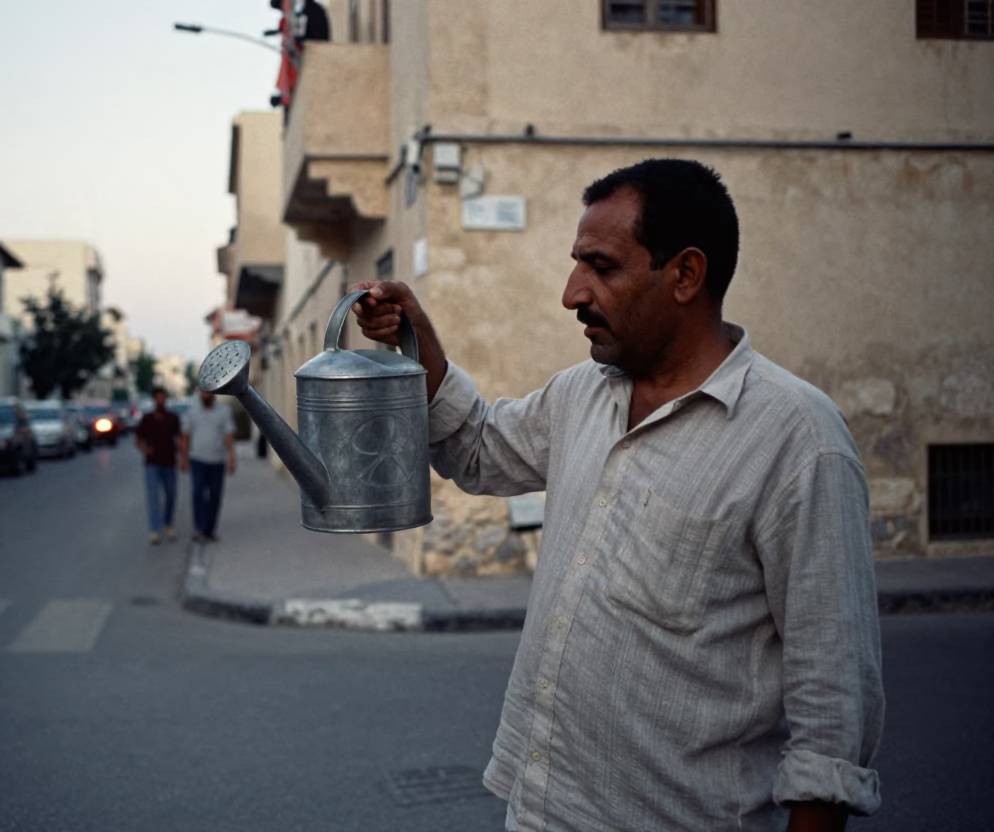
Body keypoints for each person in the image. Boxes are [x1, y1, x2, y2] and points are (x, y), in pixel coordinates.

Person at [352, 158, 883, 832]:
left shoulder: (798, 440)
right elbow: (478, 448)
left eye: (601, 267)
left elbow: (832, 711)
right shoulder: (583, 393)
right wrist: (419, 345)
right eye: (578, 264)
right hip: (541, 812)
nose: (572, 292)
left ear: (686, 275)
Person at [180, 390, 236, 543]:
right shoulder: (192, 412)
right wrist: (183, 458)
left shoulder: (224, 411)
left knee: (215, 495)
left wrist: (231, 458)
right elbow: (185, 435)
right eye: (203, 393)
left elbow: (228, 435)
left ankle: (210, 529)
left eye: (208, 393)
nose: (206, 396)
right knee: (198, 492)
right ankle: (199, 528)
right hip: (197, 459)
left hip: (217, 460)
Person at [135, 387, 181, 544]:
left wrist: (182, 456)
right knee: (153, 497)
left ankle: (168, 524)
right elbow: (138, 439)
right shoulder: (147, 419)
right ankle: (155, 530)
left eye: (163, 397)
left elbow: (180, 438)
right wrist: (145, 450)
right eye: (158, 398)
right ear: (154, 400)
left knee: (171, 495)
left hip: (169, 462)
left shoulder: (173, 418)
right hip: (152, 464)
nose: (161, 400)